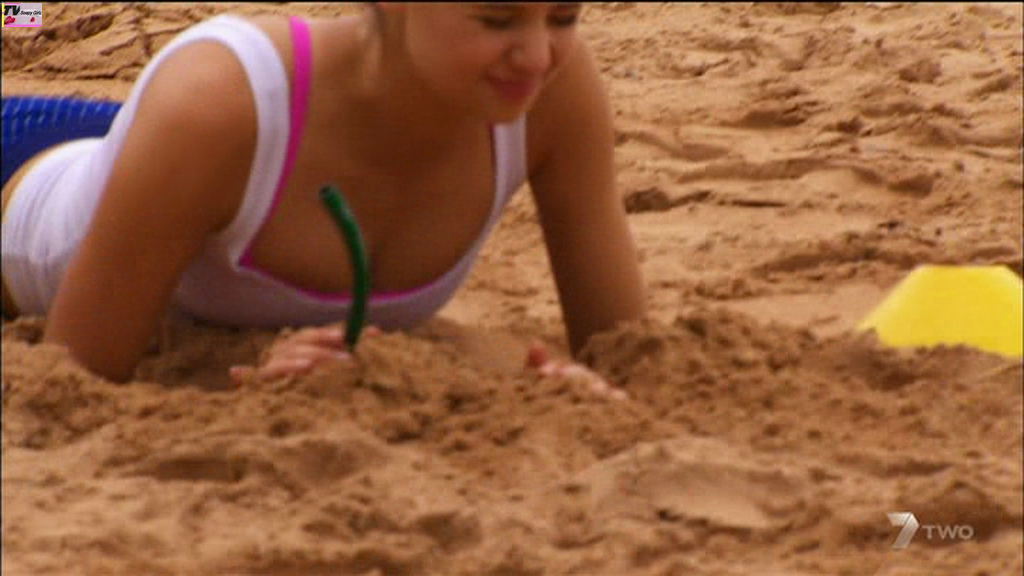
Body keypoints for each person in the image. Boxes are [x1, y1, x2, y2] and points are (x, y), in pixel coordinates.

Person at [1, 3, 645, 392]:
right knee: (25, 12)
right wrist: (239, 375)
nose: (537, 55)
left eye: (564, 15)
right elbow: (69, 384)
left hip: (153, 152)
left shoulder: (552, 94)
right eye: (496, 18)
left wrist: (566, 389)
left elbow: (634, 359)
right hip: (28, 157)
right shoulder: (217, 107)